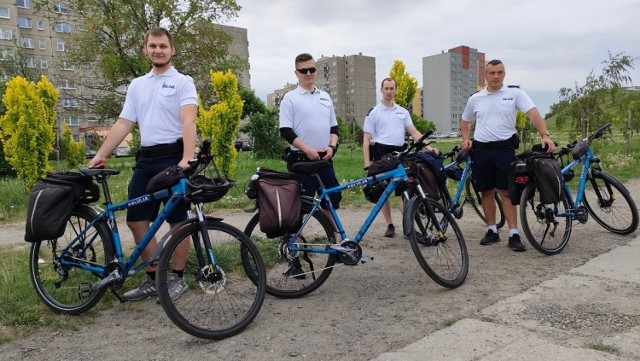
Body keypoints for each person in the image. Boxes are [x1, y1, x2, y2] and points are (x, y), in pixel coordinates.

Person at [88, 27, 198, 300]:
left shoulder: (183, 81)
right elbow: (125, 123)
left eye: (163, 46)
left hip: (173, 158)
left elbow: (189, 120)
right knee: (137, 222)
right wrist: (101, 154)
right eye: (153, 46)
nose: (158, 50)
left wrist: (186, 157)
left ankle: (177, 278)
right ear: (146, 49)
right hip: (146, 160)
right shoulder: (137, 85)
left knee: (179, 222)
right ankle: (152, 277)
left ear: (172, 49)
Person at [460, 59, 555, 252]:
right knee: (486, 191)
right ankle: (492, 230)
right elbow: (464, 120)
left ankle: (513, 234)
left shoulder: (515, 93)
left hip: (504, 149)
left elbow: (533, 114)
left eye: (500, 72)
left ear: (504, 74)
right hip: (481, 150)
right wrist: (466, 138)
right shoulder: (476, 98)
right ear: (485, 76)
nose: (496, 76)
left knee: (506, 192)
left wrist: (545, 135)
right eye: (492, 73)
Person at [363, 77, 437, 238]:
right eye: (386, 88)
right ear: (381, 90)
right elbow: (366, 139)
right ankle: (390, 225)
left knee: (405, 191)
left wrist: (429, 148)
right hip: (382, 154)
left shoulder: (402, 112)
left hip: (400, 153)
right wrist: (367, 163)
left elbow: (414, 132)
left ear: (396, 90)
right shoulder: (373, 112)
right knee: (383, 191)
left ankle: (407, 226)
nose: (389, 92)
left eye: (392, 88)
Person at [279, 53, 341, 218]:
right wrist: (307, 150)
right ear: (296, 73)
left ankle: (334, 241)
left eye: (311, 69)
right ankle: (296, 242)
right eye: (303, 70)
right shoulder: (289, 98)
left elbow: (334, 128)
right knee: (301, 205)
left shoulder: (325, 97)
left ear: (316, 71)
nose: (308, 74)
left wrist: (332, 147)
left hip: (325, 158)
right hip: (302, 160)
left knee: (331, 201)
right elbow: (285, 130)